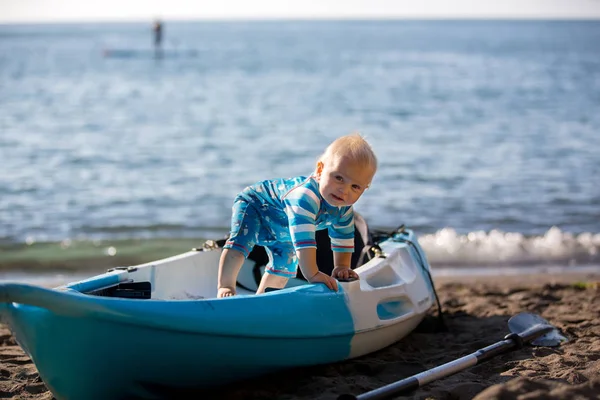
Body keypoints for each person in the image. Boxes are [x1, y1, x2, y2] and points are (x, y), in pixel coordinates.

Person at [217, 133, 378, 298]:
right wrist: (313, 274)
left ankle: (262, 298)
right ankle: (226, 286)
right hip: (256, 205)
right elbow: (304, 242)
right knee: (241, 242)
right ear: (320, 170)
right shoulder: (305, 198)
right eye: (338, 178)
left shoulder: (344, 208)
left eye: (355, 187)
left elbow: (343, 238)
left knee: (286, 264)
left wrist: (342, 267)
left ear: (365, 189)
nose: (344, 190)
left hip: (283, 226)